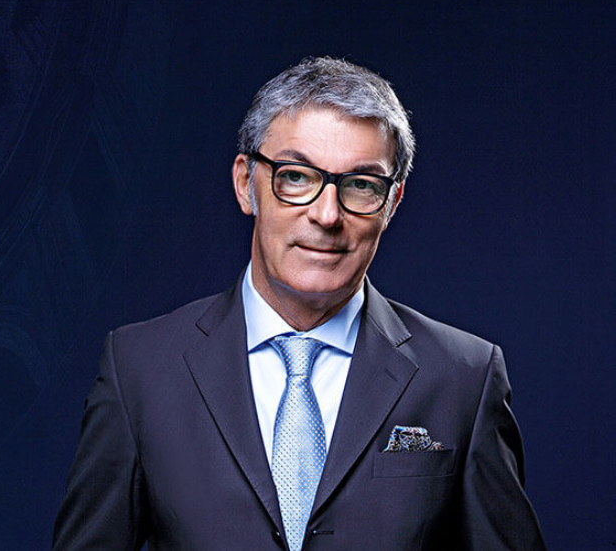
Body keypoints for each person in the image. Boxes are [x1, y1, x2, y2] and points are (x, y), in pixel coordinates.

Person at [53, 57, 546, 550]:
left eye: (361, 185)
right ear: (246, 184)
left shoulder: (464, 376)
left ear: (392, 204)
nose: (327, 215)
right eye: (296, 177)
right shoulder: (138, 369)